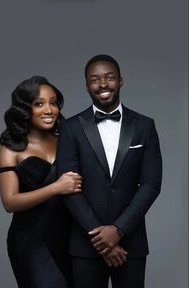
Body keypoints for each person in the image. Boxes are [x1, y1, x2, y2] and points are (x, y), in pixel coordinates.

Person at [56, 54, 162, 288]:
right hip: (86, 245)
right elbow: (68, 188)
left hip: (131, 243)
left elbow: (151, 185)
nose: (102, 84)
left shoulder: (145, 126)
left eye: (109, 77)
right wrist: (102, 238)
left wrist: (119, 229)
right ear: (86, 86)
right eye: (94, 80)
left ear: (121, 81)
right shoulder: (71, 128)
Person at [0, 75, 82, 288]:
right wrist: (56, 187)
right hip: (31, 242)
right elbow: (10, 202)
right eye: (39, 104)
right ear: (25, 108)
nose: (49, 110)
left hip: (70, 238)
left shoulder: (68, 138)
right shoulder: (11, 149)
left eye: (53, 103)